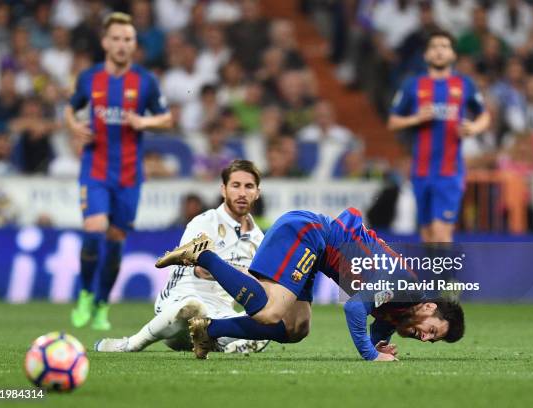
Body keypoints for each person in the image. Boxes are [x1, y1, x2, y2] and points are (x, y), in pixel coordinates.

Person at [155, 207, 465, 361]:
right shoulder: (403, 287)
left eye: (432, 340)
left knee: (296, 329)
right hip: (309, 232)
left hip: (316, 253)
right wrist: (371, 355)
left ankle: (209, 330)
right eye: (432, 330)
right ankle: (204, 256)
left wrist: (377, 344)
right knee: (270, 313)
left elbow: (376, 325)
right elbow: (356, 307)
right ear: (429, 306)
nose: (425, 338)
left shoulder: (402, 314)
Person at [65, 12, 173, 330]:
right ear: (105, 42)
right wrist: (75, 127)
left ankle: (101, 304)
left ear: (134, 44)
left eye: (128, 39)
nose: (122, 44)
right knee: (94, 229)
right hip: (95, 169)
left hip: (129, 176)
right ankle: (85, 293)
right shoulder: (89, 78)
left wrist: (144, 121)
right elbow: (70, 108)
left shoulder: (145, 81)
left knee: (115, 241)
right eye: (116, 38)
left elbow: (166, 118)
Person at [95, 160, 269, 354]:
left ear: (257, 193)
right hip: (179, 305)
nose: (242, 193)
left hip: (220, 314)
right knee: (194, 308)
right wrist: (243, 273)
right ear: (224, 190)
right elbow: (202, 269)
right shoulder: (205, 222)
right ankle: (131, 344)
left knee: (268, 316)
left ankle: (216, 342)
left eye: (249, 186)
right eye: (236, 185)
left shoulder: (259, 239)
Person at [388, 29, 490, 243]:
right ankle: (434, 276)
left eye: (444, 46)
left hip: (450, 172)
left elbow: (484, 116)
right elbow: (393, 121)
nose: (439, 51)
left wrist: (474, 128)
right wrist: (415, 119)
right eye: (434, 47)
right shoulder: (413, 85)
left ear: (453, 55)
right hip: (421, 171)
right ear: (426, 55)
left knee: (442, 231)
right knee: (427, 234)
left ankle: (444, 277)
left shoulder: (464, 84)